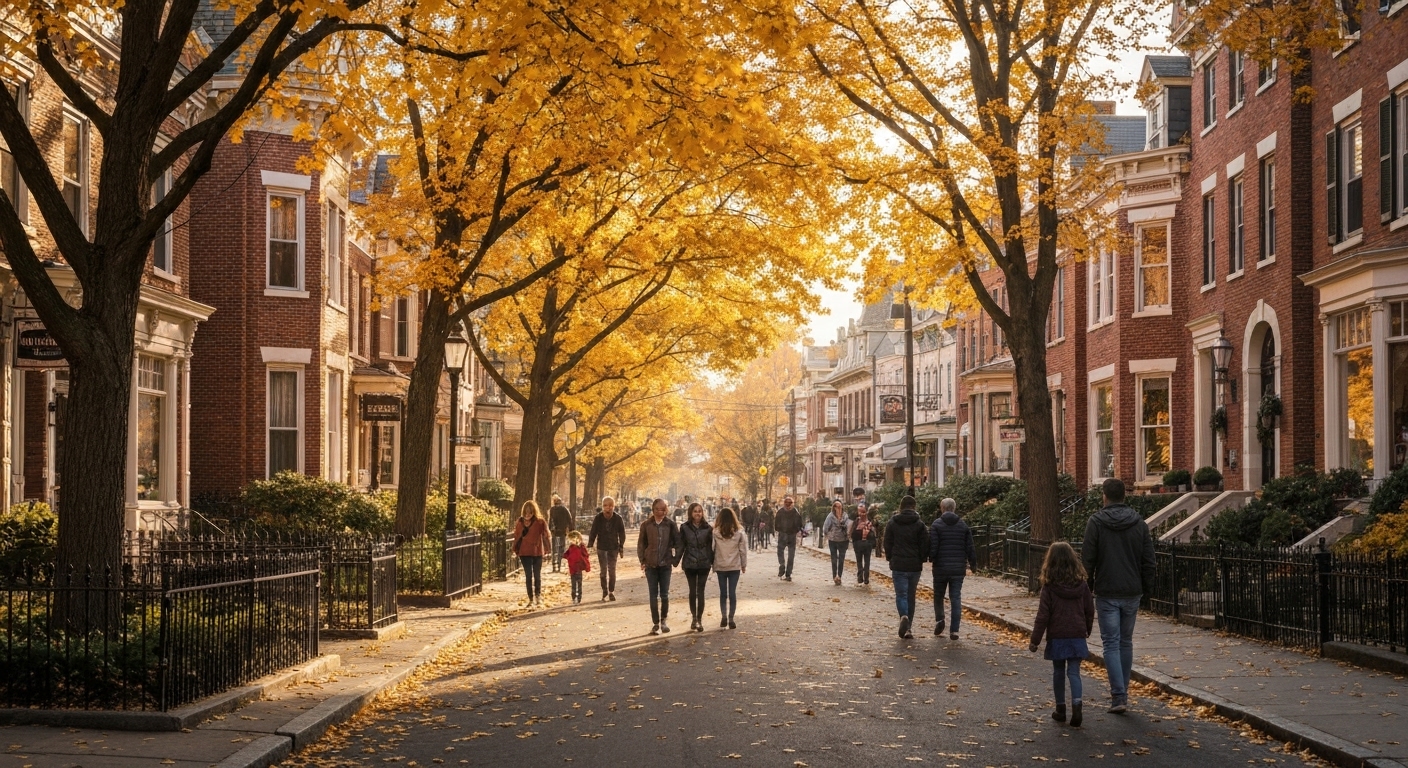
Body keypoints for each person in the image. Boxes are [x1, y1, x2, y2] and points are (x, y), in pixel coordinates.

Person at [1081, 478, 1157, 714]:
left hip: (1107, 591)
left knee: (1111, 643)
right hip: (1132, 590)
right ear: (1125, 495)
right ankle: (1122, 691)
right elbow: (1148, 561)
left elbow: (1087, 560)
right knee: (1125, 641)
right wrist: (1148, 589)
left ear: (1104, 496)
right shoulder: (1139, 523)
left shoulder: (1096, 522)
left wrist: (1088, 586)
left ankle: (1118, 696)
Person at [1029, 542, 1095, 728]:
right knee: (1074, 672)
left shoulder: (1049, 588)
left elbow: (1043, 616)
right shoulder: (1082, 586)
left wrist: (1035, 640)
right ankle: (1077, 706)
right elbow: (1089, 610)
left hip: (1057, 635)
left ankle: (1060, 708)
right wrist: (1087, 629)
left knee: (1058, 671)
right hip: (1076, 634)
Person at [929, 497, 978, 640]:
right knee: (955, 597)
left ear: (942, 508)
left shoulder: (936, 525)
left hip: (940, 568)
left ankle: (940, 619)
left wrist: (931, 557)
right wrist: (973, 564)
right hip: (958, 568)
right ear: (954, 508)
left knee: (938, 596)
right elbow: (970, 547)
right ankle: (954, 630)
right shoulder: (963, 525)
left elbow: (934, 546)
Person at [883, 495, 929, 638]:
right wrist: (922, 558)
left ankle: (903, 615)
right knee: (911, 596)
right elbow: (925, 543)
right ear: (914, 507)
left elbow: (887, 541)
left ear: (901, 507)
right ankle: (908, 628)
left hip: (899, 564)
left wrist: (890, 556)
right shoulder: (919, 524)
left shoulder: (893, 522)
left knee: (901, 594)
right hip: (914, 564)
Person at [637, 498, 682, 634]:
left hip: (665, 564)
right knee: (653, 595)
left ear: (666, 510)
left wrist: (674, 560)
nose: (660, 512)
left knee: (664, 594)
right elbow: (641, 544)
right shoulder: (646, 525)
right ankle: (655, 622)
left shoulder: (670, 525)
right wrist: (642, 560)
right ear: (653, 509)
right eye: (657, 509)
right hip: (650, 564)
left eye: (663, 509)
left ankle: (663, 620)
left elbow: (678, 543)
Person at [679, 502, 715, 632]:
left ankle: (699, 619)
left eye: (700, 511)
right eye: (695, 511)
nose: (698, 513)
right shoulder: (684, 528)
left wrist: (713, 562)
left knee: (701, 592)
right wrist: (675, 560)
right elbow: (681, 546)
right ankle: (694, 618)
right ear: (690, 513)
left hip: (704, 563)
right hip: (690, 563)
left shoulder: (708, 528)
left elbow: (712, 547)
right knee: (692, 591)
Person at [712, 506, 747, 629]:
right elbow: (743, 550)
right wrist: (743, 564)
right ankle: (731, 618)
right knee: (732, 593)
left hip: (721, 566)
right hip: (734, 566)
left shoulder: (715, 533)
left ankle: (723, 617)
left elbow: (712, 549)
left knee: (723, 593)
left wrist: (712, 564)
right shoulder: (739, 533)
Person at [512, 500, 551, 608]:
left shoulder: (540, 522)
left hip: (537, 552)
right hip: (524, 553)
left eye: (530, 513)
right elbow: (516, 536)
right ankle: (531, 598)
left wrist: (548, 549)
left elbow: (546, 535)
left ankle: (538, 596)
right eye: (526, 513)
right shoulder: (520, 522)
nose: (527, 515)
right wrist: (515, 549)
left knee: (537, 575)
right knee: (528, 575)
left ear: (534, 512)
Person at [588, 496, 628, 601]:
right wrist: (590, 544)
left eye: (610, 505)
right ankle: (604, 590)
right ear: (602, 507)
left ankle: (611, 591)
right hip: (601, 547)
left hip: (613, 547)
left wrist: (621, 546)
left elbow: (622, 533)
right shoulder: (598, 518)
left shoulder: (618, 518)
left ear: (613, 506)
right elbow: (593, 531)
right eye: (605, 505)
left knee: (612, 570)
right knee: (603, 571)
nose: (608, 508)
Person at [773, 496, 803, 581]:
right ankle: (787, 572)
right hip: (787, 534)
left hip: (788, 535)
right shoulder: (794, 512)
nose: (788, 505)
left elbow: (799, 524)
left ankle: (785, 568)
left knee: (785, 553)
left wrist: (781, 530)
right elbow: (800, 524)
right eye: (787, 503)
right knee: (789, 554)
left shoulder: (782, 512)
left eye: (790, 503)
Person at [822, 501, 852, 585]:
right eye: (836, 506)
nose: (838, 508)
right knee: (834, 559)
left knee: (841, 559)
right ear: (834, 507)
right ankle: (834, 576)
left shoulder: (845, 515)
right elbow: (826, 527)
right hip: (833, 540)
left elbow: (848, 525)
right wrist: (826, 534)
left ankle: (839, 576)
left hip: (843, 540)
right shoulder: (830, 516)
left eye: (839, 506)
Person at [851, 503, 878, 585]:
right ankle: (862, 577)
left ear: (866, 512)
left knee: (865, 561)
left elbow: (873, 534)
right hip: (859, 543)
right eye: (860, 512)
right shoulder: (857, 521)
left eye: (863, 512)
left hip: (865, 544)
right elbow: (852, 533)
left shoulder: (868, 522)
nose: (861, 514)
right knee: (861, 561)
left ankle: (865, 578)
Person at [564, 530, 592, 605]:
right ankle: (574, 597)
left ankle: (578, 598)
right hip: (572, 568)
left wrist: (586, 566)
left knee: (579, 583)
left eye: (572, 540)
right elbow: (566, 554)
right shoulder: (571, 547)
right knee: (573, 584)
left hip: (578, 567)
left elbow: (586, 555)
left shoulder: (581, 546)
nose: (571, 541)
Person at [549, 495, 574, 573]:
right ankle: (559, 565)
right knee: (561, 548)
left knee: (554, 549)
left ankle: (554, 565)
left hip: (554, 532)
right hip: (562, 532)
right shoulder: (564, 509)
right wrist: (571, 530)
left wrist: (550, 529)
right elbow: (569, 519)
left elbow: (550, 521)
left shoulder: (552, 510)